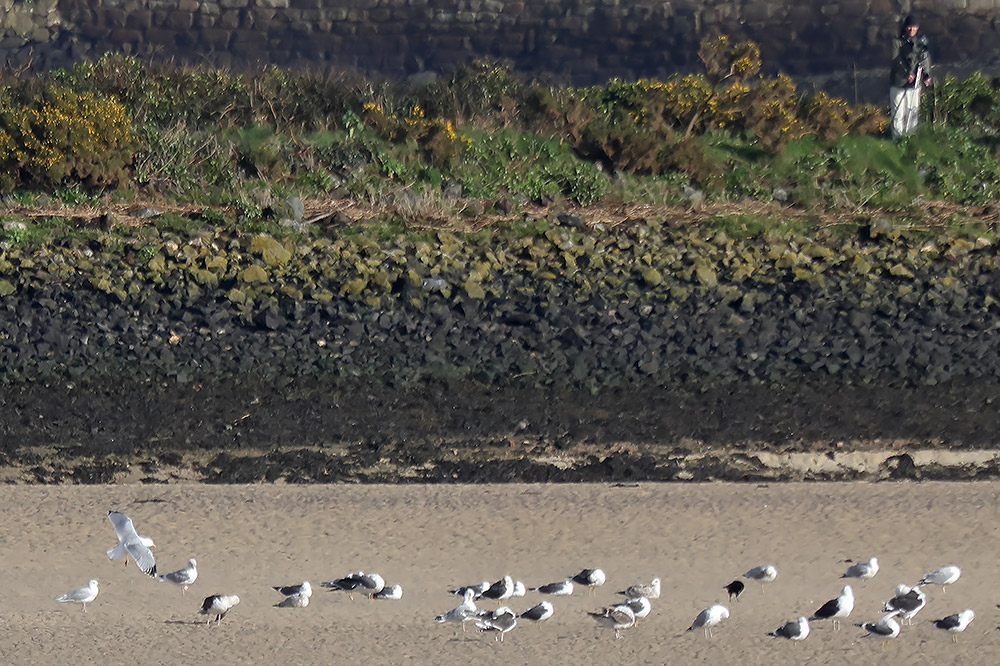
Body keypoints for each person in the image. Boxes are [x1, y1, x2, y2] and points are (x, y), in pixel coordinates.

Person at [889, 15, 932, 138]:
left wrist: (926, 75)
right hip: (898, 83)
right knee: (898, 113)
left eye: (914, 27)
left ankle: (911, 138)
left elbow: (924, 58)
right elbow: (896, 60)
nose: (911, 29)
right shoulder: (896, 41)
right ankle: (897, 139)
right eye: (909, 26)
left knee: (912, 112)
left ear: (917, 28)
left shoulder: (920, 42)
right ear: (905, 27)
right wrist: (906, 73)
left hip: (915, 84)